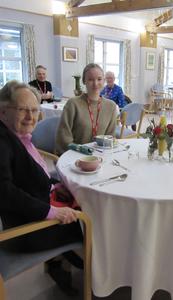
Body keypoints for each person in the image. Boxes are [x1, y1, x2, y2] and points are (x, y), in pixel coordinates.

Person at [0, 81, 82, 295]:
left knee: (80, 203)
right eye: (22, 110)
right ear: (3, 111)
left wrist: (54, 185)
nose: (30, 116)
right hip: (24, 232)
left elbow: (28, 175)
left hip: (30, 214)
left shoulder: (15, 137)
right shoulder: (2, 142)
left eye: (34, 110)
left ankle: (70, 259)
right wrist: (52, 212)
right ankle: (93, 272)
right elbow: (5, 193)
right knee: (91, 217)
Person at [56, 63, 117, 155]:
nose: (95, 84)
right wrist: (81, 153)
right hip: (75, 156)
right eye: (90, 79)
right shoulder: (73, 104)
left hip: (101, 156)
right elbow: (63, 137)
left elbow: (110, 137)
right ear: (84, 81)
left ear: (104, 80)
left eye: (99, 79)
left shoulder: (111, 106)